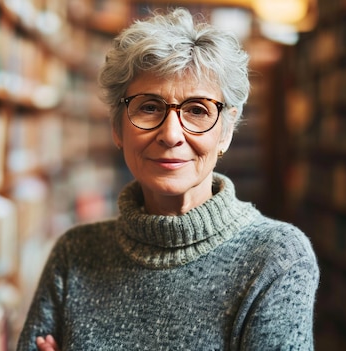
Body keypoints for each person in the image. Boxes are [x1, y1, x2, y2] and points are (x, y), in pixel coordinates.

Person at [17, 7, 319, 351]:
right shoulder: (74, 255)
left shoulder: (277, 258)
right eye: (149, 107)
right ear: (118, 127)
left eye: (197, 110)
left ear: (225, 133)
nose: (171, 134)